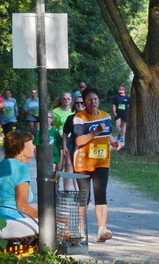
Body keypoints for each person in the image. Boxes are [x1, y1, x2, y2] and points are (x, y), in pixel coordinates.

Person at [62, 86, 121, 242]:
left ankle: (102, 229)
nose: (93, 102)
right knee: (84, 195)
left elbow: (108, 133)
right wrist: (95, 132)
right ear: (84, 102)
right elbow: (79, 140)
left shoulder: (106, 116)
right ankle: (81, 228)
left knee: (101, 193)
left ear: (99, 100)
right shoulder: (79, 117)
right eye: (89, 100)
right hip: (83, 161)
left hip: (101, 160)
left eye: (95, 99)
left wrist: (113, 143)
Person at [0, 129, 40, 239]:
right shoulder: (21, 168)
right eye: (31, 144)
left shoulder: (1, 165)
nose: (34, 147)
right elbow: (23, 207)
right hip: (8, 223)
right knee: (53, 226)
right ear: (20, 148)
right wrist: (47, 220)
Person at [48, 92, 75, 167]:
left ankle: (68, 175)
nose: (67, 100)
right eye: (64, 98)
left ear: (71, 100)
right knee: (59, 164)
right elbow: (51, 124)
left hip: (70, 138)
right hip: (58, 138)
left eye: (69, 98)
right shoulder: (55, 111)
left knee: (68, 164)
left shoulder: (73, 112)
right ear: (61, 100)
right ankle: (56, 175)